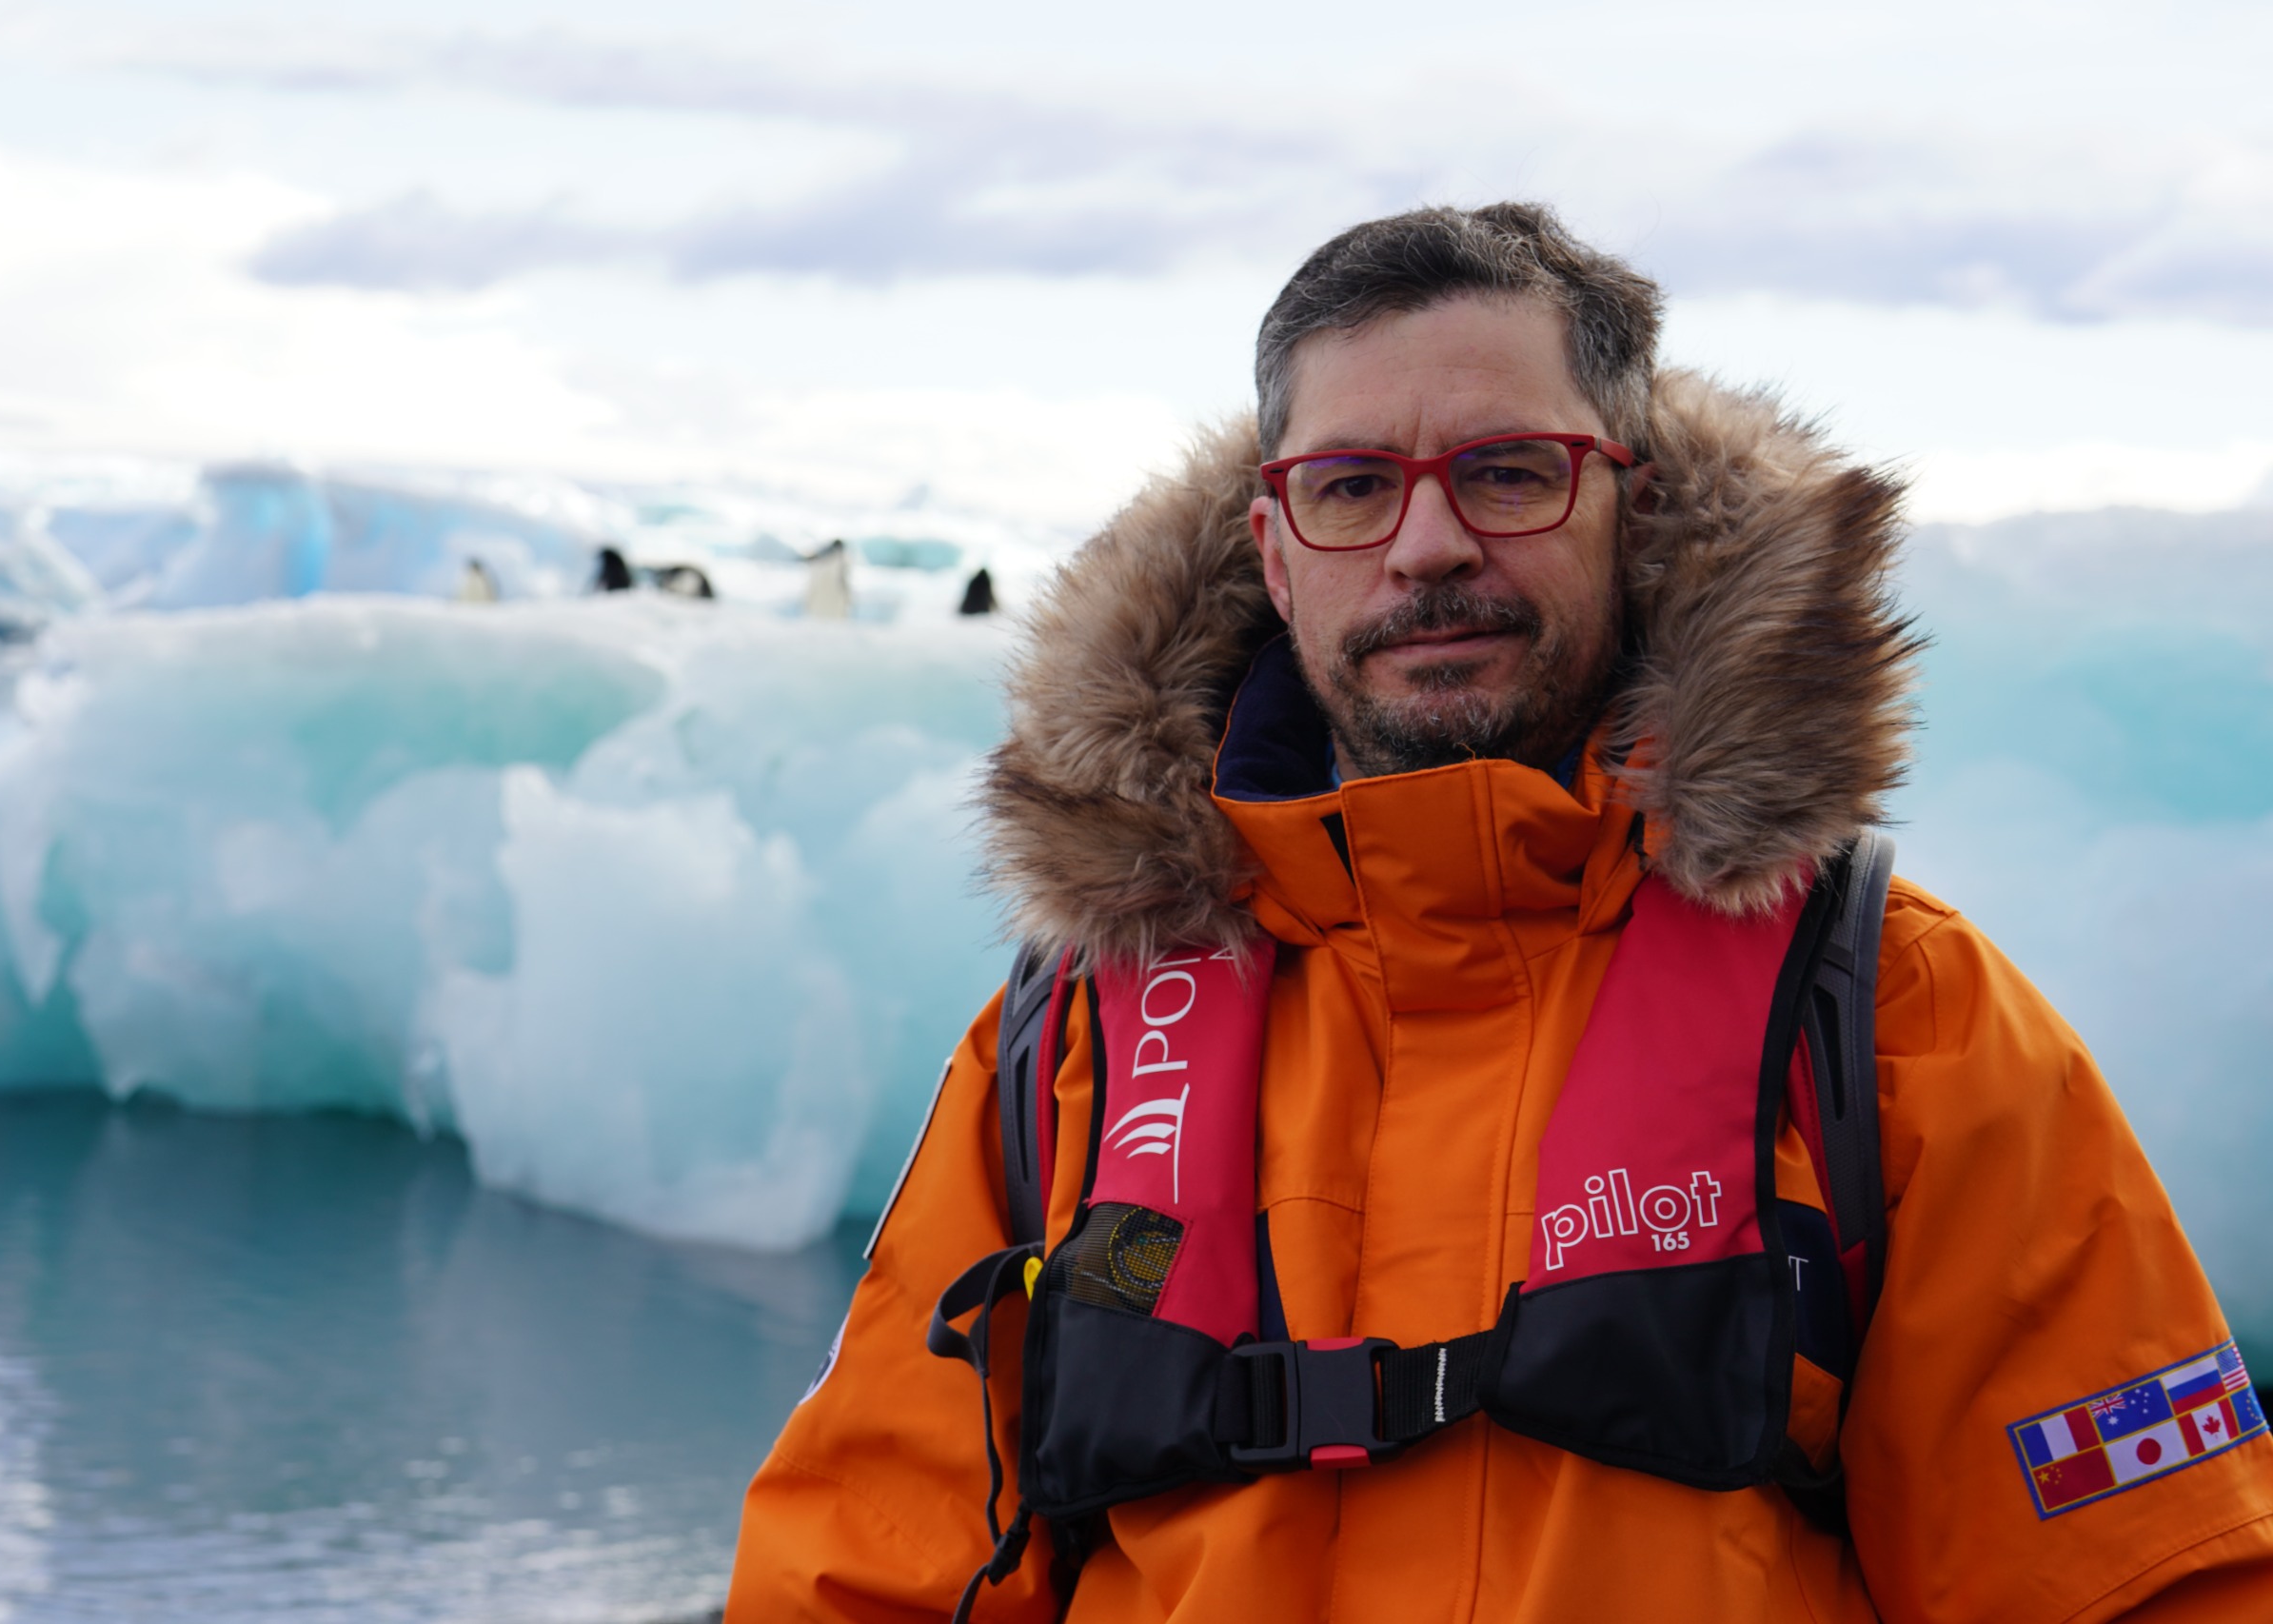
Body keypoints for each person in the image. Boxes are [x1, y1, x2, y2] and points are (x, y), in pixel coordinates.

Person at [728, 204, 2273, 1621]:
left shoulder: (1889, 1012)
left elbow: (2144, 1585)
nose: (1429, 545)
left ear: (1631, 506)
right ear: (1274, 552)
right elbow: (864, 1579)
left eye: (1508, 471)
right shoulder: (1072, 1045)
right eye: (1349, 487)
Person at [805, 538, 853, 620]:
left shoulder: (820, 558)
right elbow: (843, 581)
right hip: (834, 599)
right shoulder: (840, 558)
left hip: (819, 603)